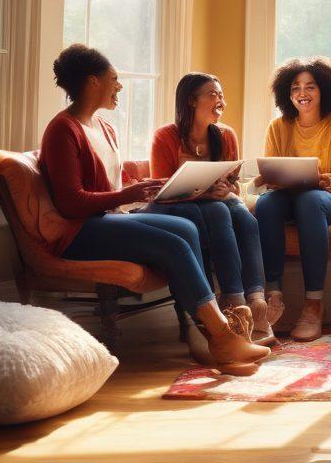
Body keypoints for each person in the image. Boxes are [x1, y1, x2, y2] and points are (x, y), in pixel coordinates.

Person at [39, 45, 270, 375]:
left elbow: (110, 184)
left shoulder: (104, 128)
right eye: (114, 79)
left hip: (108, 218)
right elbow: (69, 203)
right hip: (78, 231)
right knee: (174, 243)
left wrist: (139, 186)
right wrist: (128, 192)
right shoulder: (64, 129)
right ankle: (220, 337)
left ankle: (210, 329)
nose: (119, 86)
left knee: (188, 228)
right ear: (92, 82)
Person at [147, 72, 275, 345]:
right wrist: (204, 192)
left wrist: (226, 189)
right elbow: (161, 190)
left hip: (217, 200)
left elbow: (235, 185)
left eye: (222, 95)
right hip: (179, 204)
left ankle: (256, 302)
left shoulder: (226, 135)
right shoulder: (165, 136)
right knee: (219, 212)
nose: (221, 101)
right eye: (213, 95)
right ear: (192, 100)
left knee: (246, 219)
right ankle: (233, 303)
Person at [254, 57, 331, 342]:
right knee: (266, 204)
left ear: (325, 90)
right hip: (285, 196)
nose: (302, 93)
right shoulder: (278, 126)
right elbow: (272, 168)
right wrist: (270, 178)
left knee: (308, 201)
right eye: (296, 87)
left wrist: (319, 178)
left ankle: (314, 303)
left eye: (310, 86)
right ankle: (272, 297)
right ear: (287, 92)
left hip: (328, 199)